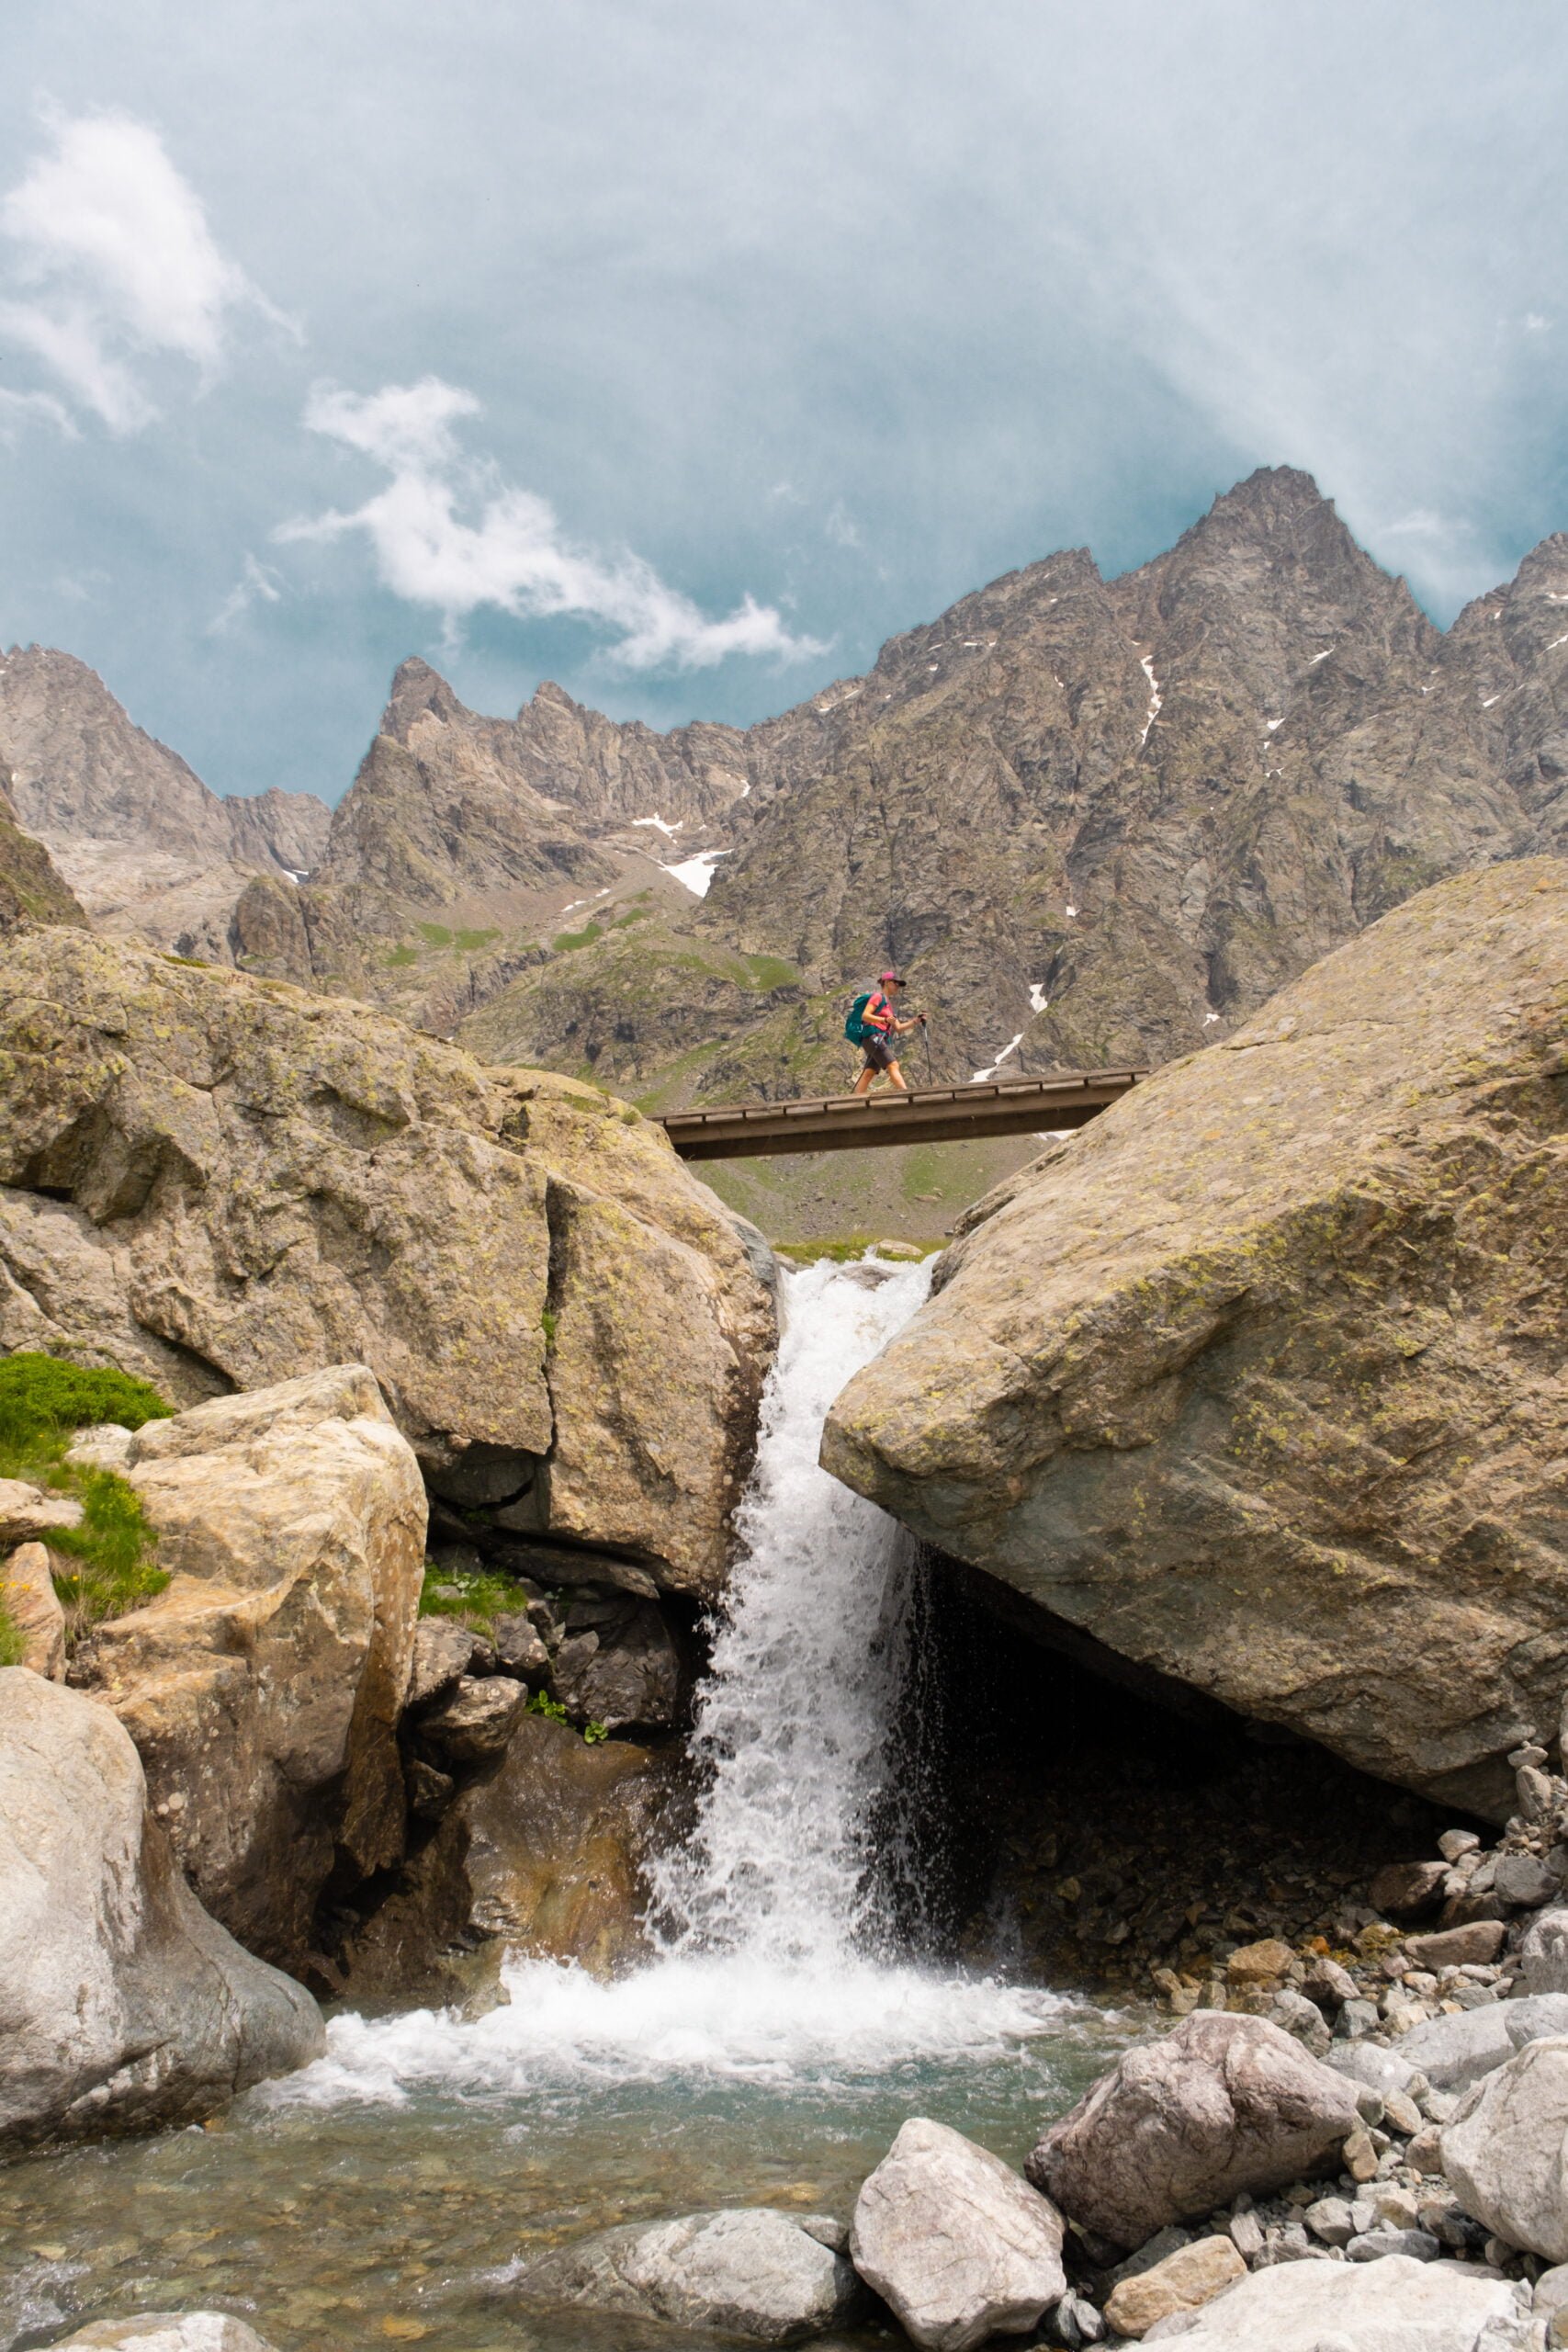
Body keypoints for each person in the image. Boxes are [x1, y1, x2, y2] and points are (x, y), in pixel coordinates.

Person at [852, 971, 926, 1095]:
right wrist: (884, 1020)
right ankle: (908, 1095)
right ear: (886, 982)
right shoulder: (878, 997)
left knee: (869, 1073)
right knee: (893, 1065)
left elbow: (898, 1028)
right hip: (873, 1036)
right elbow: (865, 1016)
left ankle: (854, 1101)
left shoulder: (888, 1006)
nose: (897, 986)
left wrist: (916, 1021)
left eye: (899, 984)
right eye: (895, 983)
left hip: (875, 1039)